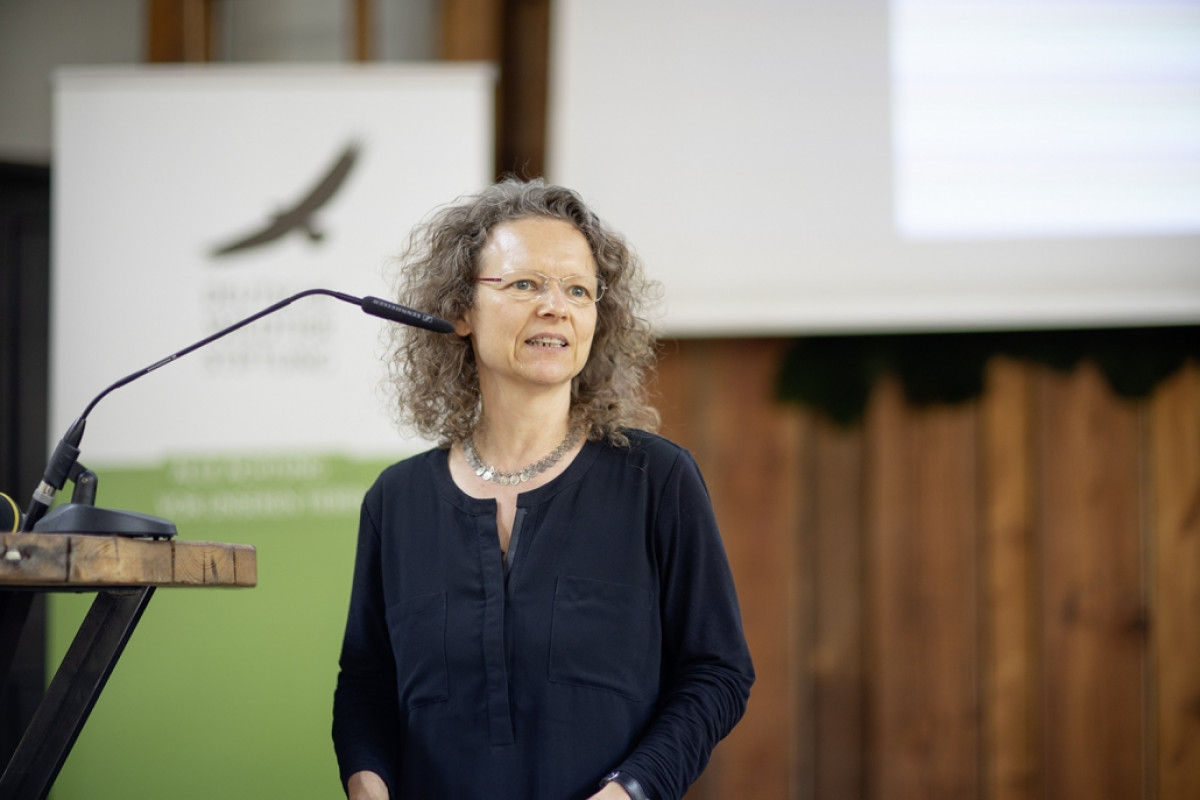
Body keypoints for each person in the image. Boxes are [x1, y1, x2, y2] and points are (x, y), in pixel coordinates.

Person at [332, 178, 754, 800]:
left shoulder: (657, 481)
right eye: (525, 284)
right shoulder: (396, 501)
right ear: (461, 311)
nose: (556, 306)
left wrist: (630, 791)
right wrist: (367, 783)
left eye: (578, 290)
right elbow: (366, 683)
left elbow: (717, 672)